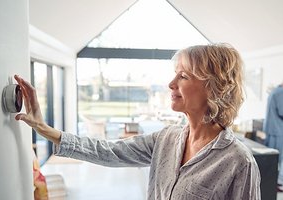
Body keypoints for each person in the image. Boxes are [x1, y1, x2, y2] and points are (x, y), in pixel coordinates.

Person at [14, 43, 261, 200]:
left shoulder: (238, 162)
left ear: (214, 88)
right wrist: (46, 130)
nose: (171, 83)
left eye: (183, 76)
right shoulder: (167, 138)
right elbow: (108, 151)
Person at [263, 83, 283, 192]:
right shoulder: (280, 93)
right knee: (276, 159)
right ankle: (275, 184)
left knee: (271, 158)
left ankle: (270, 183)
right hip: (278, 131)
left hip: (272, 130)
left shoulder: (274, 91)